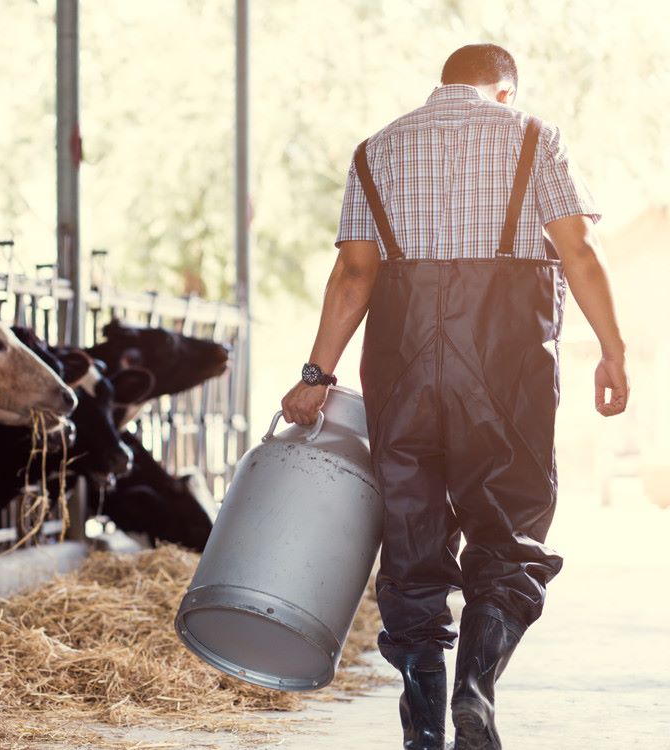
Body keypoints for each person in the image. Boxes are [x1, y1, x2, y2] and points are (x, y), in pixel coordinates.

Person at [280, 44, 628, 750]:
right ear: (505, 91)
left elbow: (354, 274)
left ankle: (422, 732)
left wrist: (315, 378)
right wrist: (614, 351)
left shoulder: (376, 150)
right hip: (506, 373)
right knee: (509, 535)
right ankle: (475, 691)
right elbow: (579, 252)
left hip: (401, 371)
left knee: (411, 546)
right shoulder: (534, 135)